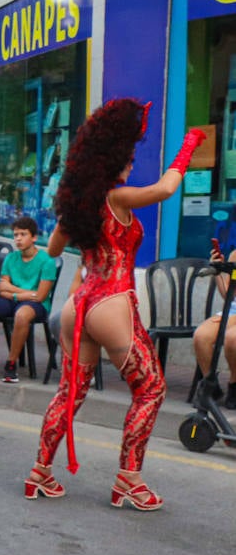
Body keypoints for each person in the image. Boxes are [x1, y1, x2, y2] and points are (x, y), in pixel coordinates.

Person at [26, 101, 203, 509]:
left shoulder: (79, 206)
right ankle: (129, 480)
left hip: (79, 303)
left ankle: (40, 473)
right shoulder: (117, 197)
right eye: (128, 159)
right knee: (152, 390)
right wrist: (188, 146)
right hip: (112, 302)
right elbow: (164, 189)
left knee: (70, 393)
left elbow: (54, 248)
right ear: (113, 162)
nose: (131, 166)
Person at [0, 216, 57, 383]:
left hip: (36, 305)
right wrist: (25, 293)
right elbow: (2, 288)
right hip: (13, 300)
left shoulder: (47, 261)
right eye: (16, 235)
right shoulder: (11, 258)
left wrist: (14, 291)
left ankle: (11, 363)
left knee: (22, 315)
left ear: (34, 237)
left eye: (23, 234)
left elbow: (41, 296)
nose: (18, 239)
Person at [193, 239, 236, 409]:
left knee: (232, 338)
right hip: (233, 310)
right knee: (201, 336)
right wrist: (219, 269)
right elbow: (228, 294)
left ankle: (234, 386)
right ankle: (211, 385)